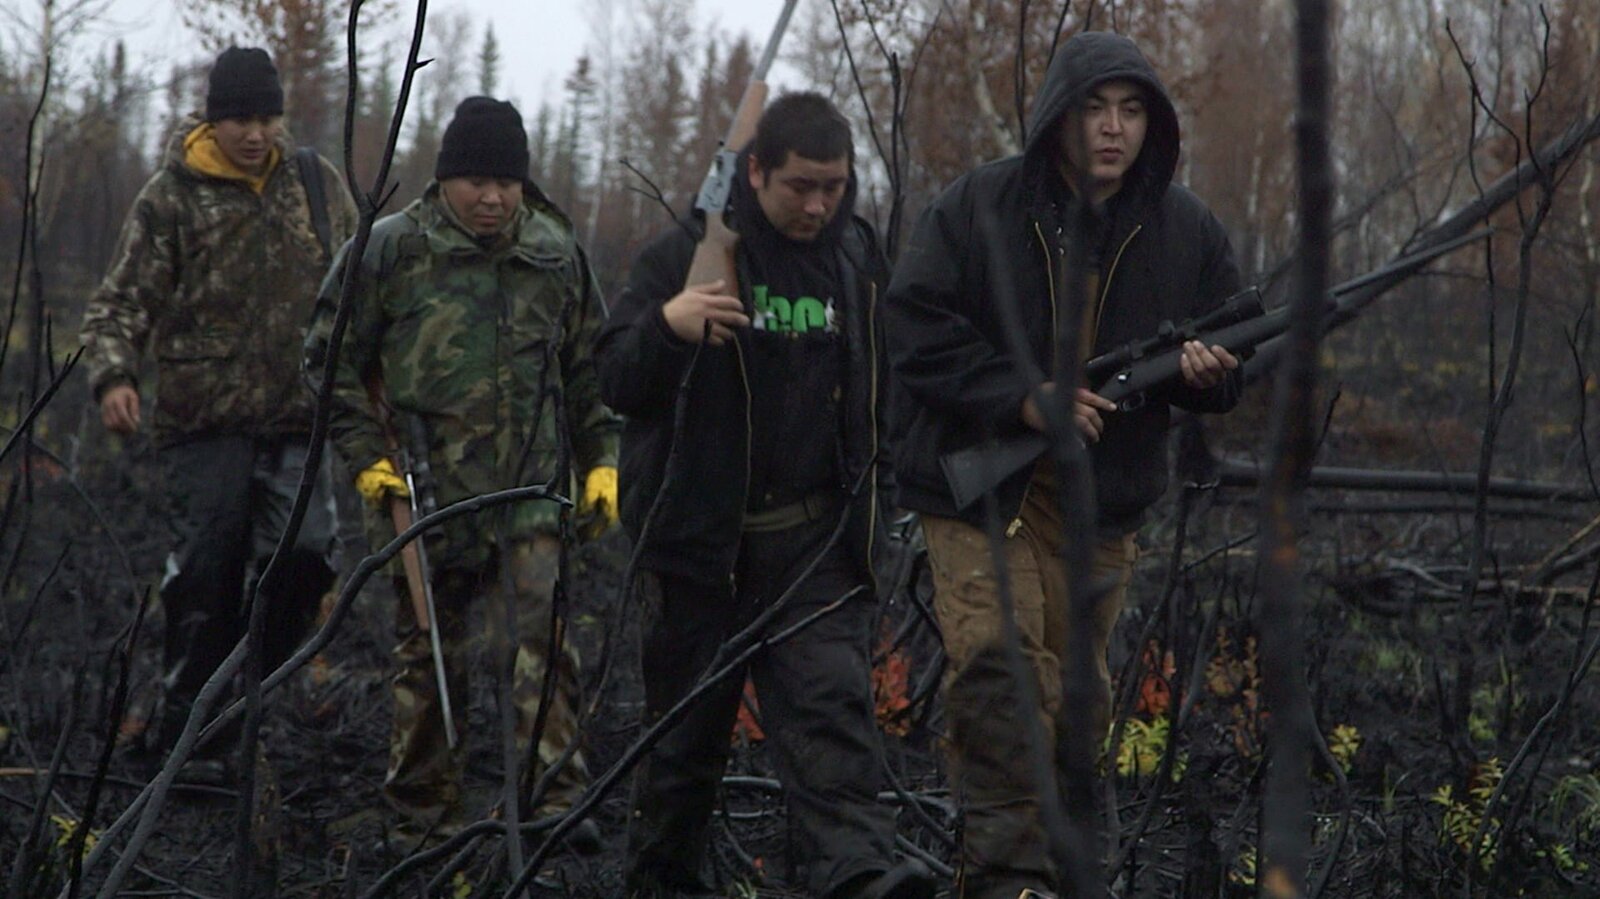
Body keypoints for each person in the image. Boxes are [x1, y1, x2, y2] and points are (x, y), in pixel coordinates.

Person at [883, 31, 1244, 898]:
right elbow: (914, 325)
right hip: (982, 486)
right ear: (1057, 116)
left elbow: (1235, 353)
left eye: (1132, 111)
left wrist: (1207, 376)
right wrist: (1021, 398)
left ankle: (1075, 871)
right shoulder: (979, 206)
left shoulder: (1185, 227)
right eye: (1094, 109)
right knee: (1002, 673)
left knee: (1078, 704)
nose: (1113, 129)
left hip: (1098, 507)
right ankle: (1009, 881)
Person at [594, 92, 935, 899]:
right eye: (800, 186)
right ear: (755, 172)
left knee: (833, 722)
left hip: (814, 547)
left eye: (834, 187)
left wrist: (879, 507)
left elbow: (888, 394)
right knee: (682, 749)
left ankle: (857, 878)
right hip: (700, 549)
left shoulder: (856, 262)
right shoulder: (684, 253)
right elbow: (613, 377)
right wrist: (669, 327)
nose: (818, 206)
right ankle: (661, 884)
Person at [302, 96, 618, 846]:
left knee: (541, 642)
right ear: (445, 179)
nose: (492, 198)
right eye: (476, 181)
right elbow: (327, 361)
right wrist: (369, 462)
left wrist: (601, 462)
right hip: (424, 495)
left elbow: (591, 369)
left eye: (506, 183)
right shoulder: (390, 251)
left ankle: (552, 801)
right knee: (428, 654)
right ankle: (423, 814)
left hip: (532, 492)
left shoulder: (555, 251)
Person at [80, 46, 357, 774]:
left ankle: (241, 702)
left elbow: (359, 287)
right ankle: (186, 737)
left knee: (308, 559)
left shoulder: (316, 186)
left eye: (268, 118)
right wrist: (114, 377)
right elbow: (119, 302)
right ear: (213, 119)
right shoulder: (172, 197)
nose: (256, 133)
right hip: (201, 425)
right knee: (205, 579)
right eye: (241, 120)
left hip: (299, 419)